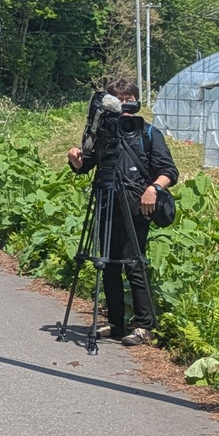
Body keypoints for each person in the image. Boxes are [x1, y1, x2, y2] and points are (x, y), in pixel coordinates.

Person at [66, 75, 177, 344]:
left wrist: (154, 189)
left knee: (133, 263)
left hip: (136, 205)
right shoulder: (102, 132)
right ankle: (116, 323)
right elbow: (87, 165)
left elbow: (169, 171)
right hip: (106, 202)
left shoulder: (148, 133)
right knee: (107, 265)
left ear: (137, 102)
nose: (125, 106)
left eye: (129, 101)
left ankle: (144, 325)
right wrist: (75, 158)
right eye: (119, 101)